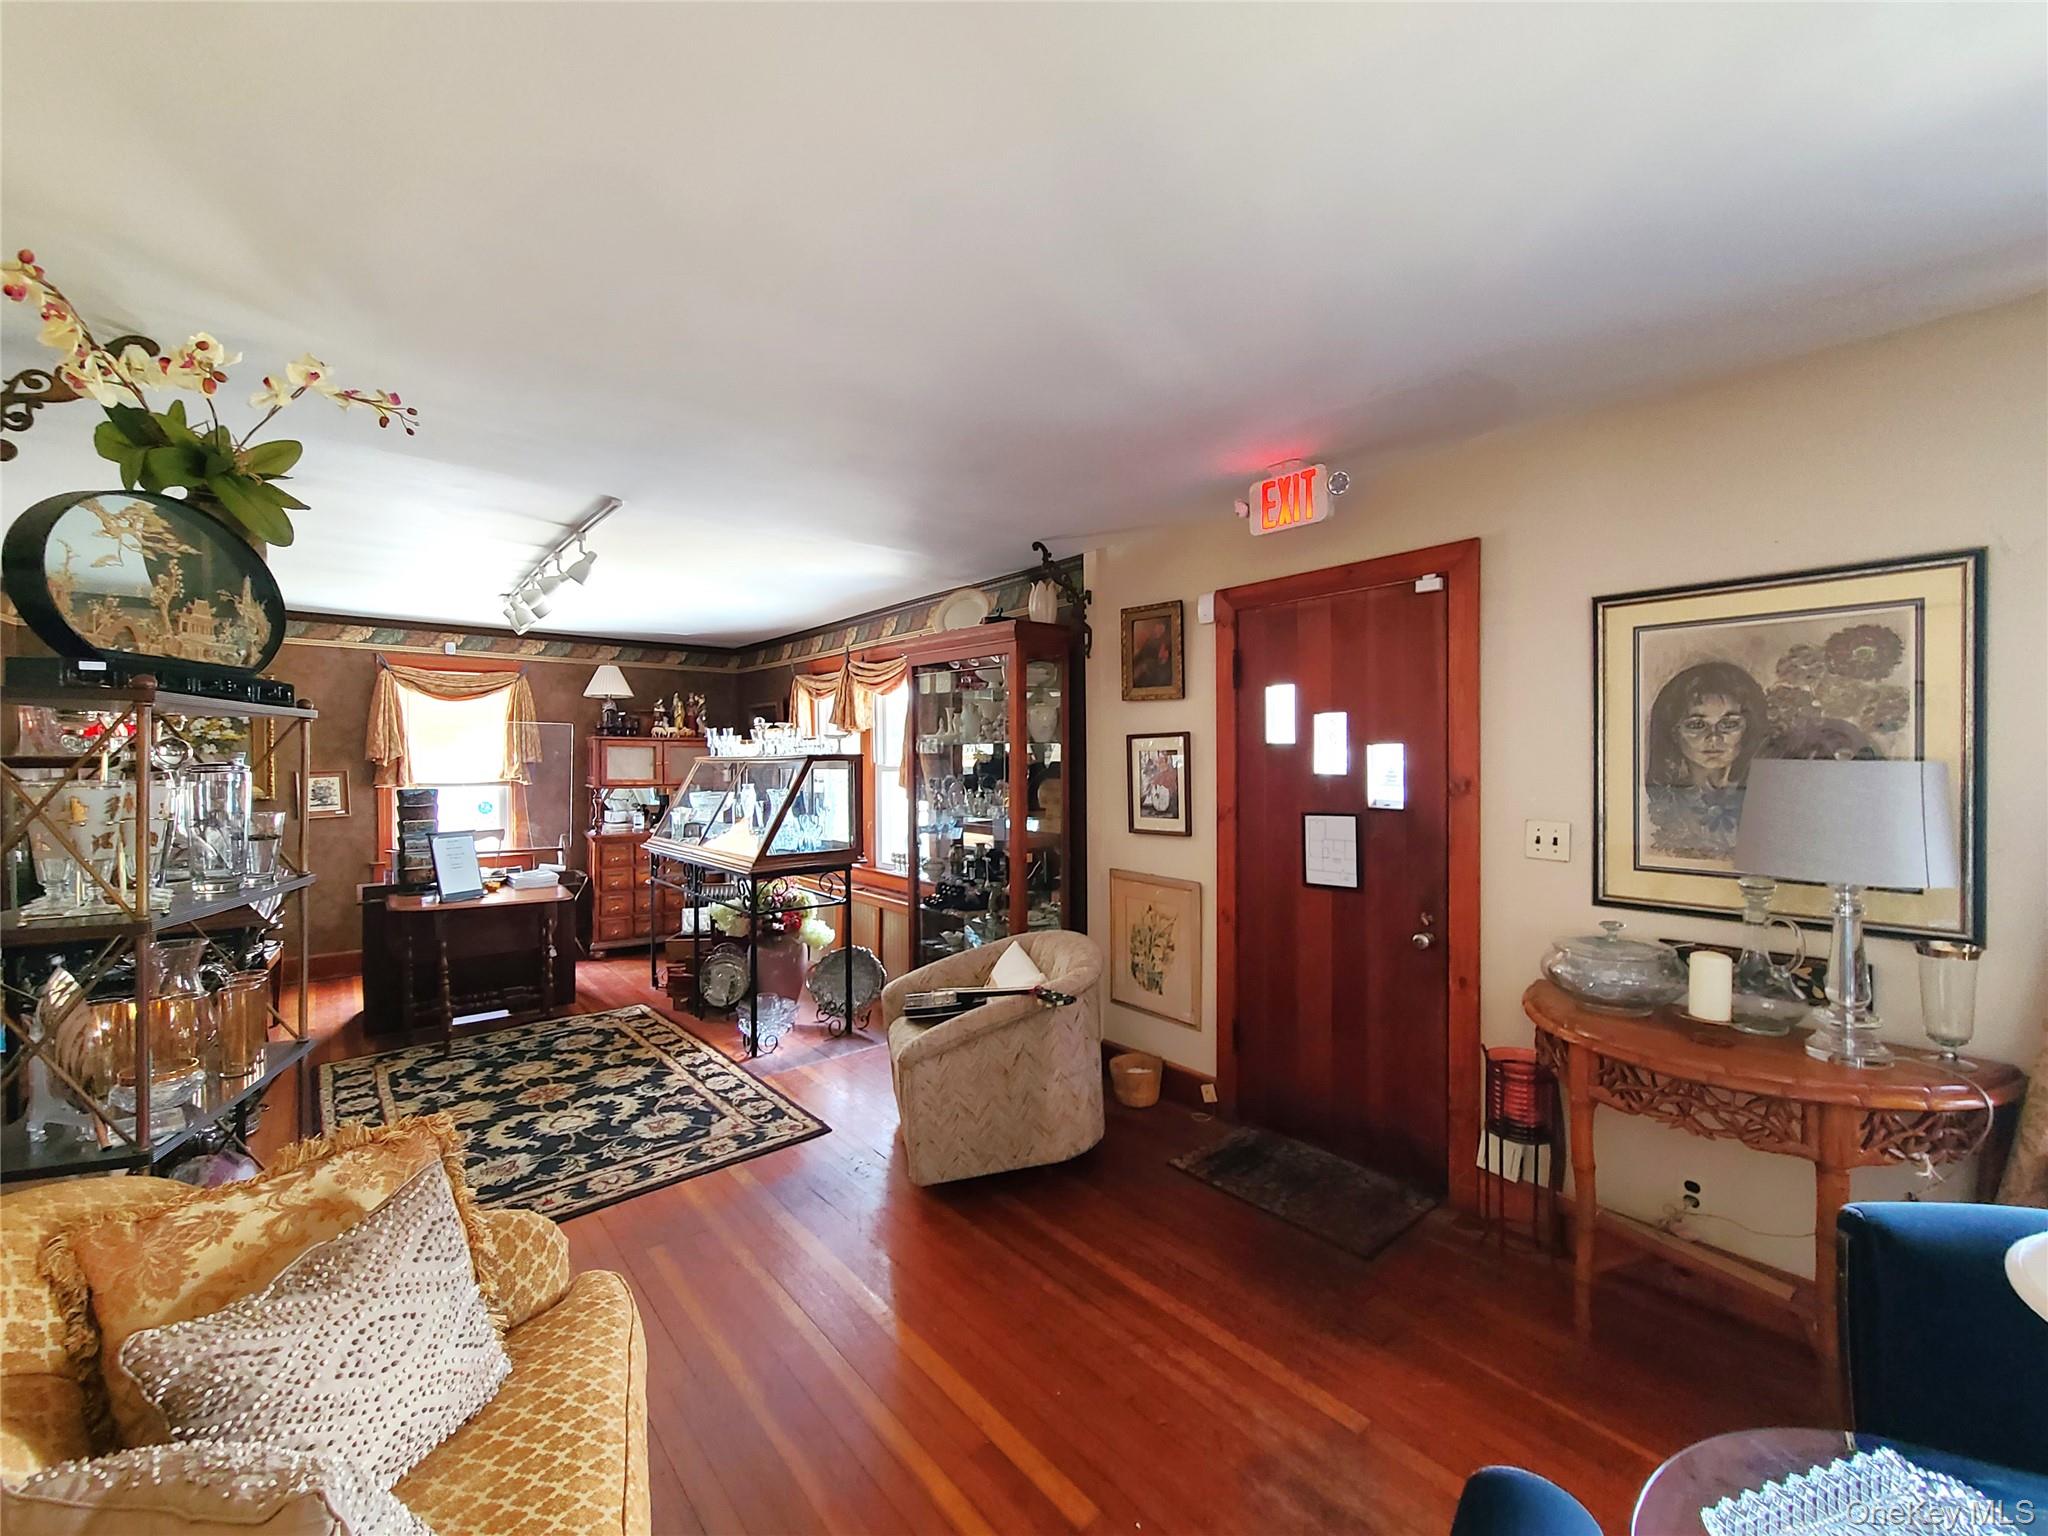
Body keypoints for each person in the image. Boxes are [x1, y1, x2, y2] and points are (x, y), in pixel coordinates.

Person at [1642, 661, 1768, 861]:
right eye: (1697, 724)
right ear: (1674, 732)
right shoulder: (1660, 802)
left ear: (1748, 728)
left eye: (1729, 724)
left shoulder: (1765, 800)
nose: (1714, 738)